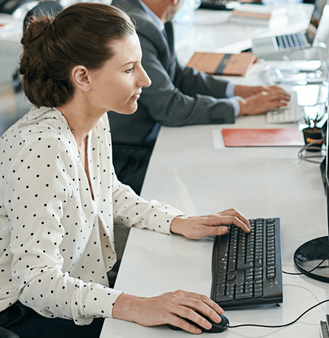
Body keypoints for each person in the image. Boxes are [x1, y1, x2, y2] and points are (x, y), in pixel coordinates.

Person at [0, 3, 250, 337]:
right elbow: (35, 282)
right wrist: (135, 305)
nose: (145, 79)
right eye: (129, 68)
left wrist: (178, 221)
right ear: (83, 77)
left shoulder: (94, 118)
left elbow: (107, 191)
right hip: (24, 312)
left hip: (80, 284)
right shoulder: (43, 148)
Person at [109, 0, 291, 194]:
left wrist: (236, 90)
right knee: (221, 171)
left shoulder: (153, 19)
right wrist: (242, 107)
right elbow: (170, 108)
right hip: (130, 155)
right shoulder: (135, 26)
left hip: (148, 139)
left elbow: (177, 74)